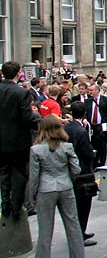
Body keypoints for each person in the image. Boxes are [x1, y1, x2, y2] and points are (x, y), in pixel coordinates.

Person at [29, 115, 85, 258]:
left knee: (45, 230)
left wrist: (32, 196)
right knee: (73, 225)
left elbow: (34, 177)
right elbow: (76, 170)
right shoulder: (67, 146)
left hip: (45, 189)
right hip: (65, 186)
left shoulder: (36, 150)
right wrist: (69, 180)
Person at [0, 61, 39, 220]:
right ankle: (17, 207)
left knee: (3, 173)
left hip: (1, 141)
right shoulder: (21, 93)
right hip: (17, 141)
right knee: (19, 174)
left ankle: (5, 204)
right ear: (18, 74)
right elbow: (27, 117)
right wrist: (39, 122)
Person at [64, 102, 97, 246]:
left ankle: (79, 232)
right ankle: (79, 235)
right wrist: (92, 153)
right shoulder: (81, 131)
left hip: (69, 171)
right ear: (84, 113)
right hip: (82, 171)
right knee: (83, 206)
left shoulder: (65, 128)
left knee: (74, 206)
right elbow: (87, 153)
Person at [84, 85, 107, 168]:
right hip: (92, 126)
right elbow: (85, 113)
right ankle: (94, 163)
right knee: (93, 145)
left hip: (101, 126)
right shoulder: (88, 101)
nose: (90, 92)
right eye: (89, 90)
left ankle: (102, 163)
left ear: (97, 91)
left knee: (102, 146)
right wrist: (84, 119)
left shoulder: (105, 99)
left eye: (92, 90)